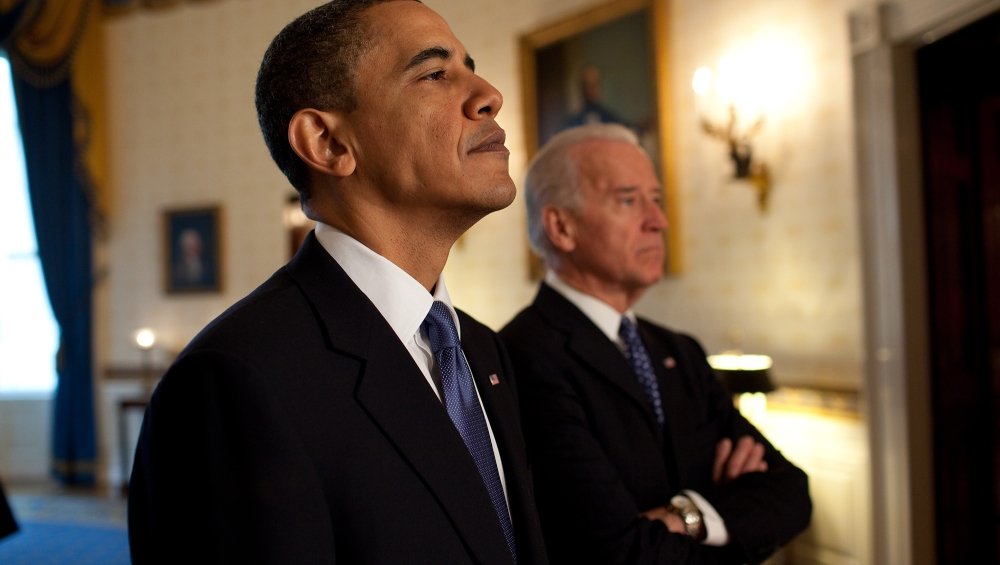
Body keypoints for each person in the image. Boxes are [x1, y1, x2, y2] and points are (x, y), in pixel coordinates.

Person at [127, 2, 548, 564]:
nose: (489, 94)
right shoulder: (236, 380)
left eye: (470, 67)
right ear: (328, 143)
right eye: (434, 73)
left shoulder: (479, 348)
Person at [500, 123, 811, 564]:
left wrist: (686, 516)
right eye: (629, 200)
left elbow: (791, 491)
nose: (658, 221)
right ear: (561, 226)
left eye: (657, 200)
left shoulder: (679, 350)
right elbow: (618, 554)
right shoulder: (522, 356)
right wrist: (725, 515)